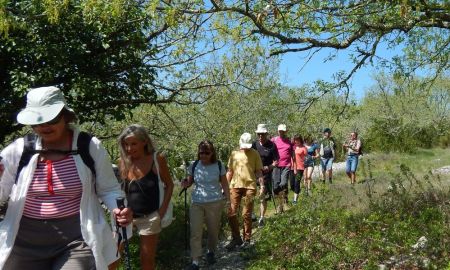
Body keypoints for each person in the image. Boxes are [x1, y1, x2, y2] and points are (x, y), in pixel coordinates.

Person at [0, 86, 132, 270]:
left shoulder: (89, 146)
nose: (44, 126)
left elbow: (109, 189)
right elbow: (1, 195)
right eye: (37, 121)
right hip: (23, 240)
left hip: (76, 238)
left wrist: (118, 209)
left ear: (65, 116)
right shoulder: (19, 150)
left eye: (51, 118)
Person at [117, 124, 174, 270]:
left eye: (134, 143)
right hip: (126, 217)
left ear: (144, 142)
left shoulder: (157, 159)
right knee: (113, 255)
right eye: (126, 144)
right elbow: (120, 190)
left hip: (149, 217)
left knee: (146, 260)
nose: (129, 148)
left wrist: (160, 213)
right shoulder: (123, 161)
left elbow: (170, 185)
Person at [181, 140, 230, 270]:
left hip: (215, 202)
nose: (203, 155)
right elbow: (190, 182)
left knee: (213, 231)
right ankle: (195, 261)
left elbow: (225, 184)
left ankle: (211, 252)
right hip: (197, 201)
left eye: (206, 153)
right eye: (201, 152)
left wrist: (229, 200)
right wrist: (185, 183)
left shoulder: (219, 165)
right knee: (195, 232)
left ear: (212, 153)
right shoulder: (195, 165)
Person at [226, 133, 264, 250]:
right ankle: (236, 238)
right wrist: (224, 187)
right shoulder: (234, 154)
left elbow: (258, 171)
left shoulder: (255, 153)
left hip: (250, 186)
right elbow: (230, 171)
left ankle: (247, 239)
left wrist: (262, 185)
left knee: (246, 214)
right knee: (231, 212)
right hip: (235, 186)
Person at [252, 124, 278, 227]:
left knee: (262, 196)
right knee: (251, 194)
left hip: (266, 175)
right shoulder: (254, 145)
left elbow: (276, 161)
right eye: (259, 134)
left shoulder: (272, 145)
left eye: (262, 134)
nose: (260, 136)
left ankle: (262, 218)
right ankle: (252, 214)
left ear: (266, 134)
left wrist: (270, 167)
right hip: (253, 174)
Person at [271, 124, 294, 213]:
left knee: (283, 183)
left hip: (286, 165)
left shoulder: (289, 141)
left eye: (283, 131)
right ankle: (279, 204)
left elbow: (292, 153)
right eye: (280, 131)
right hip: (276, 166)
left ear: (285, 131)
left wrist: (294, 165)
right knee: (276, 186)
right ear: (278, 131)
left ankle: (284, 202)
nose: (281, 132)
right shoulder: (274, 140)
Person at [292, 135, 307, 203]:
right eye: (295, 140)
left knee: (296, 182)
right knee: (292, 183)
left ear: (301, 140)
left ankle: (295, 200)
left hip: (300, 168)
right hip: (292, 167)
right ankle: (298, 192)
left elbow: (306, 159)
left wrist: (306, 169)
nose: (296, 141)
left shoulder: (304, 148)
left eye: (298, 140)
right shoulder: (293, 148)